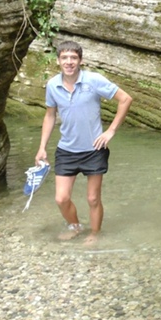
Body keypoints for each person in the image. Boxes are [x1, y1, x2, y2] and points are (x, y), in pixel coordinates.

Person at [35, 40, 133, 244]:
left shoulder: (94, 80)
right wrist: (42, 147)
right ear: (58, 60)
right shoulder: (53, 85)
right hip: (66, 150)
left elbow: (126, 99)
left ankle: (95, 234)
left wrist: (110, 131)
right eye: (64, 58)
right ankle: (76, 226)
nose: (69, 62)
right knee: (61, 199)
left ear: (80, 60)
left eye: (73, 58)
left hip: (94, 149)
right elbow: (50, 116)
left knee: (93, 198)